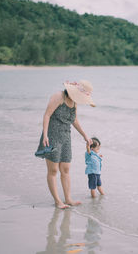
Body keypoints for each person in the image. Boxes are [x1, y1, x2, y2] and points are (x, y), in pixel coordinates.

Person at [36, 80, 95, 209]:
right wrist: (45, 135)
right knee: (53, 170)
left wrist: (84, 135)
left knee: (66, 169)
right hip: (52, 136)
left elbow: (74, 120)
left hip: (66, 137)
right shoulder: (59, 97)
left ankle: (68, 199)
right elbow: (47, 115)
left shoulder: (74, 102)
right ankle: (58, 201)